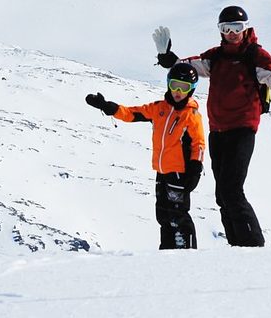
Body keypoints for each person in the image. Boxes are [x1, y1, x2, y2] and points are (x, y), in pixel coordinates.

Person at [153, 5, 271, 247]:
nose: (231, 33)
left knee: (232, 190)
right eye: (226, 28)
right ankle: (236, 245)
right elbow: (190, 67)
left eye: (237, 28)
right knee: (222, 194)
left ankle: (253, 245)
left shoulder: (253, 55)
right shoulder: (216, 57)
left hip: (243, 129)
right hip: (218, 131)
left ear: (245, 28)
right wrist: (169, 59)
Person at [85, 63, 205, 249]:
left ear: (192, 90)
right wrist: (108, 107)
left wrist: (195, 168)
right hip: (162, 171)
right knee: (163, 213)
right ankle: (167, 248)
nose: (178, 92)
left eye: (184, 87)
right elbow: (133, 113)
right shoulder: (159, 108)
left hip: (180, 173)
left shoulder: (191, 115)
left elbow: (199, 144)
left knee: (178, 214)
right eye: (175, 85)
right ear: (168, 84)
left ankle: (186, 250)